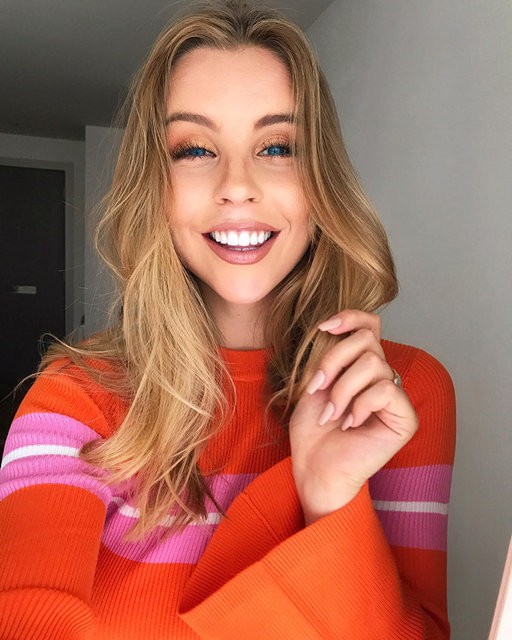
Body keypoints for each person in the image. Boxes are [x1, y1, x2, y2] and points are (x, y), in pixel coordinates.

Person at [0, 0, 456, 638]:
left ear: (322, 179)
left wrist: (332, 500)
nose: (237, 185)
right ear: (155, 186)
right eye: (194, 149)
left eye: (276, 146)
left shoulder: (398, 394)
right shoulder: (76, 397)